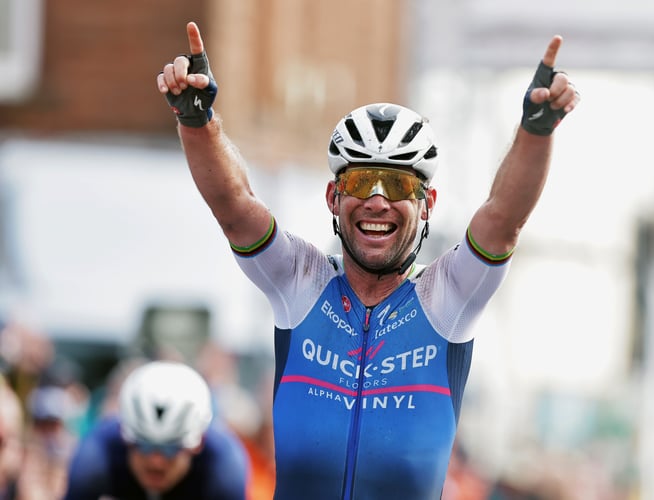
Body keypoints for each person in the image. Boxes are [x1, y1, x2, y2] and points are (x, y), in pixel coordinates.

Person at [157, 21, 579, 499]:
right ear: (333, 198)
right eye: (360, 184)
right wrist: (197, 123)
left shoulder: (447, 297)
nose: (377, 201)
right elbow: (235, 207)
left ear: (429, 204)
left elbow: (503, 218)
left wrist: (536, 130)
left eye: (398, 185)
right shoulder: (302, 282)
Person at [62, 360, 250, 499]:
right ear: (125, 438)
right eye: (144, 445)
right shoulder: (95, 456)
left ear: (198, 444)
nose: (156, 462)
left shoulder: (224, 465)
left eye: (171, 448)